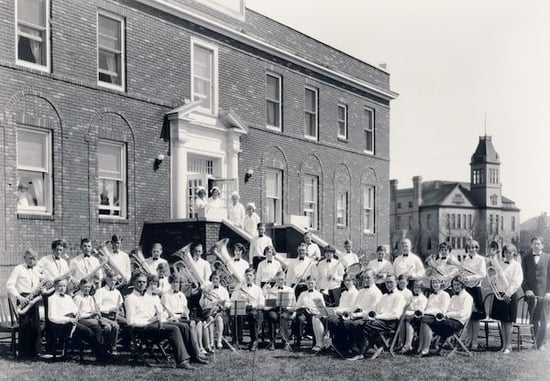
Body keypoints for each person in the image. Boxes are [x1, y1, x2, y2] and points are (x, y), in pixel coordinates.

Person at [124, 273, 195, 370]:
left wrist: (158, 316)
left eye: (144, 282)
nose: (142, 284)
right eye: (139, 282)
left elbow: (153, 312)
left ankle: (192, 355)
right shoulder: (130, 298)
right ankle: (182, 361)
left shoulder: (145, 297)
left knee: (183, 326)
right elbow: (130, 321)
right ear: (133, 282)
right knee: (174, 329)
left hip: (153, 324)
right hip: (142, 329)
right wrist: (148, 321)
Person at [349, 275, 406, 361]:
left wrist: (377, 317)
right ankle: (361, 350)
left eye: (391, 282)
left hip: (390, 323)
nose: (389, 284)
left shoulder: (399, 297)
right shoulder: (384, 296)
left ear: (396, 282)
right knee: (361, 322)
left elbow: (395, 315)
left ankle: (362, 351)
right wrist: (369, 316)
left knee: (364, 324)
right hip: (380, 320)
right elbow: (377, 310)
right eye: (387, 282)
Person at [47, 278, 104, 359]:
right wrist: (68, 319)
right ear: (55, 287)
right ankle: (100, 355)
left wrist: (76, 314)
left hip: (73, 320)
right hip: (61, 325)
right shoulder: (52, 298)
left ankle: (101, 353)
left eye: (64, 286)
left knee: (95, 327)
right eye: (60, 286)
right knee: (88, 332)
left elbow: (75, 310)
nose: (62, 288)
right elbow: (52, 317)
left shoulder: (68, 297)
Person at [417, 275, 473, 356]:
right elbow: (447, 310)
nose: (456, 287)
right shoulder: (453, 297)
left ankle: (426, 349)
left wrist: (448, 314)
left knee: (427, 322)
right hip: (449, 320)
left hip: (457, 323)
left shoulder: (467, 297)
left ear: (463, 285)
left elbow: (463, 313)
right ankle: (421, 347)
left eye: (458, 284)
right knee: (424, 320)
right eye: (454, 285)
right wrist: (445, 314)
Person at [6, 249, 46, 359]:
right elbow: (9, 285)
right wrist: (19, 297)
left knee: (35, 325)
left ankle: (36, 352)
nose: (32, 261)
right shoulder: (18, 269)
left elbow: (43, 280)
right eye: (30, 258)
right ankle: (24, 354)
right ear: (24, 258)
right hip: (23, 298)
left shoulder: (37, 270)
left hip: (34, 297)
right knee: (24, 326)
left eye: (34, 258)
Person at [161, 274, 208, 363]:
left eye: (177, 282)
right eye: (174, 282)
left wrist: (186, 313)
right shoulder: (165, 295)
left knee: (194, 323)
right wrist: (177, 316)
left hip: (182, 316)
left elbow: (185, 307)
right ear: (170, 283)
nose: (176, 284)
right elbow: (167, 310)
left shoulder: (181, 294)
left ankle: (197, 350)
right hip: (172, 318)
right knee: (191, 324)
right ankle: (196, 353)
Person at [489, 244, 523, 354]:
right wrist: (494, 281)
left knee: (508, 322)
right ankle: (503, 345)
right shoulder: (501, 264)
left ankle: (509, 346)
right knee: (502, 321)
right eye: (506, 252)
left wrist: (507, 294)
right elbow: (498, 279)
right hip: (500, 295)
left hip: (510, 295)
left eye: (510, 252)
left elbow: (517, 282)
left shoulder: (517, 265)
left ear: (514, 253)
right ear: (503, 253)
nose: (508, 254)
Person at [345, 270, 382, 358]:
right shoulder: (361, 291)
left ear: (374, 278)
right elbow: (356, 305)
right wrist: (349, 312)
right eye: (364, 278)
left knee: (354, 324)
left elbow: (371, 311)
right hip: (359, 315)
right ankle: (344, 347)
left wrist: (356, 315)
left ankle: (359, 349)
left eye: (368, 277)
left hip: (369, 318)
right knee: (341, 321)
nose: (366, 280)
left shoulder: (377, 292)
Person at [521, 236, 550, 350]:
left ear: (542, 245)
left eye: (538, 244)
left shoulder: (548, 257)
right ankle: (534, 341)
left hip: (544, 295)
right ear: (531, 245)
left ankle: (541, 343)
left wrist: (549, 292)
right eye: (534, 243)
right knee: (533, 318)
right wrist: (527, 289)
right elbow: (522, 277)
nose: (536, 246)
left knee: (543, 319)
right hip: (531, 294)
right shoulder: (526, 258)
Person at [230, 268, 265, 350]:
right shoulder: (239, 287)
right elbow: (233, 299)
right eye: (247, 275)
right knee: (238, 316)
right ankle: (236, 340)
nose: (248, 277)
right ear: (245, 276)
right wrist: (241, 301)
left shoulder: (258, 289)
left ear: (254, 277)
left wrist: (253, 304)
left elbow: (261, 302)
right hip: (242, 308)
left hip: (253, 309)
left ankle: (254, 341)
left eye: (250, 275)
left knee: (253, 315)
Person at [461, 240, 486, 350]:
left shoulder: (481, 259)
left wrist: (469, 278)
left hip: (475, 289)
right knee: (469, 316)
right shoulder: (465, 259)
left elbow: (482, 274)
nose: (472, 249)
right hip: (467, 289)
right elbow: (463, 272)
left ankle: (475, 341)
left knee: (476, 317)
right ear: (468, 248)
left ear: (477, 248)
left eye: (475, 247)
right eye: (470, 247)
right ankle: (469, 340)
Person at [326, 273, 358, 355]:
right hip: (341, 314)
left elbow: (351, 308)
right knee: (325, 318)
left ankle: (340, 345)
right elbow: (341, 306)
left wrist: (337, 311)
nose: (347, 283)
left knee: (332, 320)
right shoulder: (344, 293)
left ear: (353, 281)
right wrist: (335, 310)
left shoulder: (354, 293)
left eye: (349, 280)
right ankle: (335, 344)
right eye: (345, 281)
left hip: (349, 316)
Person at [262, 270, 296, 350]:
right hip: (273, 309)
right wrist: (273, 304)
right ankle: (272, 342)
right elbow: (266, 305)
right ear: (276, 280)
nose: (281, 281)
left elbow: (294, 304)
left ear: (285, 280)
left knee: (282, 316)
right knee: (272, 317)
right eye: (279, 279)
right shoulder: (271, 290)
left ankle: (285, 342)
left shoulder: (290, 290)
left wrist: (287, 308)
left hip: (285, 310)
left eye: (282, 279)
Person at [416, 277, 450, 354]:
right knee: (422, 320)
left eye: (437, 282)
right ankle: (420, 346)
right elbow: (427, 307)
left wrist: (430, 313)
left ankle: (426, 348)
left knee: (425, 321)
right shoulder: (431, 295)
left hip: (439, 318)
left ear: (441, 284)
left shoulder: (445, 295)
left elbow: (443, 310)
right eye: (433, 282)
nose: (435, 284)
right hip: (428, 316)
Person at [72, 279, 106, 357]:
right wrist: (90, 315)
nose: (87, 289)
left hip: (90, 318)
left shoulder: (90, 297)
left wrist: (96, 313)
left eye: (89, 287)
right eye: (85, 287)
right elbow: (77, 314)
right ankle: (100, 352)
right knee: (96, 326)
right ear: (80, 286)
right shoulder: (77, 298)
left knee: (104, 326)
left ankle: (101, 350)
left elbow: (93, 309)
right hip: (80, 320)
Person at [292, 276, 326, 351]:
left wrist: (314, 311)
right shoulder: (302, 294)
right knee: (300, 319)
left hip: (314, 313)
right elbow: (298, 305)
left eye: (312, 283)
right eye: (308, 283)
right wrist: (296, 312)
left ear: (315, 284)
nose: (310, 285)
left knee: (314, 319)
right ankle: (299, 340)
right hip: (304, 312)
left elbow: (322, 308)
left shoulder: (319, 295)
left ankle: (316, 342)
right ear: (306, 284)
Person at [200, 271, 230, 351]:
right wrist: (204, 298)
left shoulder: (224, 290)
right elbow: (201, 304)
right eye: (213, 278)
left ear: (220, 279)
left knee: (219, 319)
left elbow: (228, 304)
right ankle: (211, 342)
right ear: (211, 279)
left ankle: (219, 341)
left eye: (217, 278)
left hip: (219, 311)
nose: (215, 280)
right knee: (210, 319)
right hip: (208, 310)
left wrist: (222, 303)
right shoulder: (207, 288)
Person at [94, 274, 123, 354]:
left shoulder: (117, 292)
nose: (113, 282)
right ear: (106, 280)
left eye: (114, 280)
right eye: (111, 280)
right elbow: (97, 307)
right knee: (111, 327)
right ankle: (111, 347)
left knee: (129, 323)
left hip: (115, 315)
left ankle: (128, 345)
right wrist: (110, 309)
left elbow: (120, 304)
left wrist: (119, 310)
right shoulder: (100, 291)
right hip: (104, 315)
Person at [400, 280, 428, 353]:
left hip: (419, 318)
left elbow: (419, 311)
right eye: (415, 287)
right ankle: (401, 343)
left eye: (418, 287)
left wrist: (411, 312)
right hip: (410, 315)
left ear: (422, 289)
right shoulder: (411, 297)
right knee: (402, 320)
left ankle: (408, 344)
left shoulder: (423, 299)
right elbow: (406, 308)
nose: (416, 289)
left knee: (409, 321)